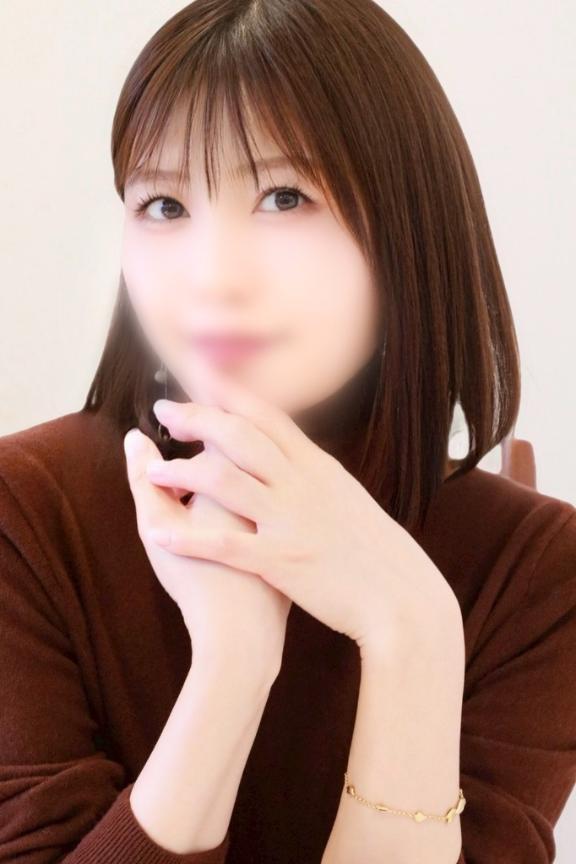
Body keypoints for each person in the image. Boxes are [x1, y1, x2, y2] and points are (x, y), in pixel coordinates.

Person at [1, 1, 575, 862]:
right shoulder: (24, 515)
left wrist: (412, 633)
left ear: (409, 228)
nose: (212, 276)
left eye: (283, 197)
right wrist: (231, 667)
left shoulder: (533, 571)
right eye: (164, 205)